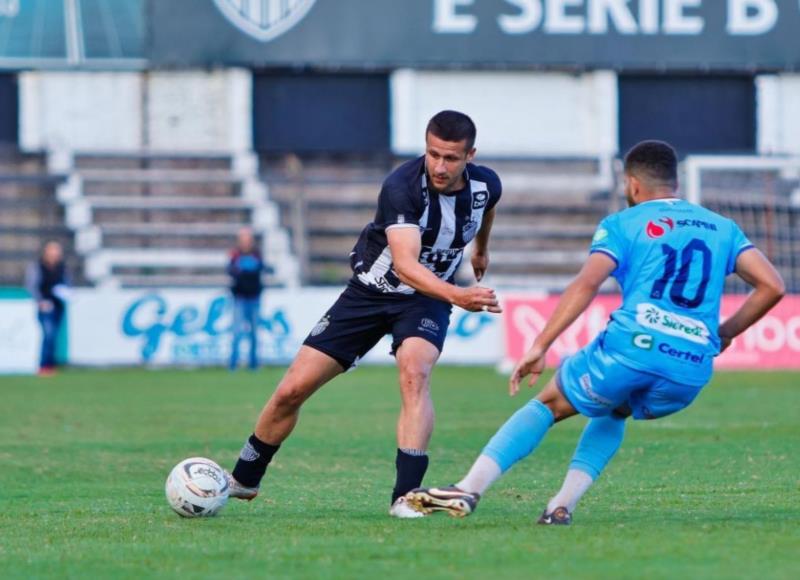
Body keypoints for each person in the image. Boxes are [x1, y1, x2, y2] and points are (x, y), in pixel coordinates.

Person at [404, 140, 785, 524]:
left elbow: (586, 284)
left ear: (632, 184)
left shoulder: (623, 224)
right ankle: (560, 507)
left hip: (633, 348)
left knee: (549, 404)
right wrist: (723, 333)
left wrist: (541, 344)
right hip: (689, 371)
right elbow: (773, 285)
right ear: (676, 182)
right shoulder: (723, 227)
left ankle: (469, 487)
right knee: (615, 409)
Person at [226, 110, 503, 517]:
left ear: (470, 156)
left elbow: (487, 207)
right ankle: (244, 477)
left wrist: (481, 247)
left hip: (425, 299)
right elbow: (406, 265)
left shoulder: (486, 184)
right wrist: (459, 295)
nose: (440, 167)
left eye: (451, 158)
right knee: (291, 390)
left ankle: (406, 497)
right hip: (371, 293)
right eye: (433, 155)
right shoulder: (401, 187)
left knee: (415, 372)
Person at [25, 241, 70, 377]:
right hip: (45, 307)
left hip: (58, 305)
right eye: (52, 250)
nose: (55, 253)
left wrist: (67, 293)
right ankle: (44, 365)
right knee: (48, 334)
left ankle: (51, 365)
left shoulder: (62, 267)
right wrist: (40, 301)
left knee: (54, 335)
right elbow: (32, 286)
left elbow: (68, 284)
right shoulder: (37, 266)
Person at [228, 227, 268, 371]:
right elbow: (231, 271)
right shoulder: (235, 254)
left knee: (254, 334)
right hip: (239, 298)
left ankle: (254, 364)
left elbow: (261, 269)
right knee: (237, 333)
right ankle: (233, 364)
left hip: (254, 298)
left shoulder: (257, 254)